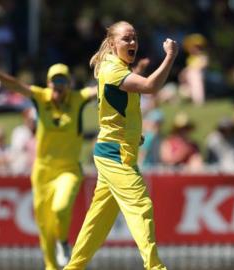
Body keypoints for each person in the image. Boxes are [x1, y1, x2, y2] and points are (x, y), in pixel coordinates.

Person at [63, 21, 177, 270]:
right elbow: (150, 87)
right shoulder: (113, 70)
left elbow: (123, 109)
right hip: (115, 154)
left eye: (134, 38)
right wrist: (170, 56)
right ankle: (155, 267)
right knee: (141, 204)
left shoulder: (116, 67)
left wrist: (135, 135)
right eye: (126, 39)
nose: (132, 42)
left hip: (117, 150)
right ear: (113, 43)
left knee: (98, 220)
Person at [0, 54, 97, 269]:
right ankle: (51, 266)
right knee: (45, 227)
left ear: (69, 83)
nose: (59, 85)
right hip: (43, 172)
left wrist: (129, 75)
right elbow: (17, 86)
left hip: (69, 169)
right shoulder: (41, 97)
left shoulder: (77, 99)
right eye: (55, 80)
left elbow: (101, 89)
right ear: (48, 83)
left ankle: (63, 242)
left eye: (63, 80)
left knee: (61, 207)